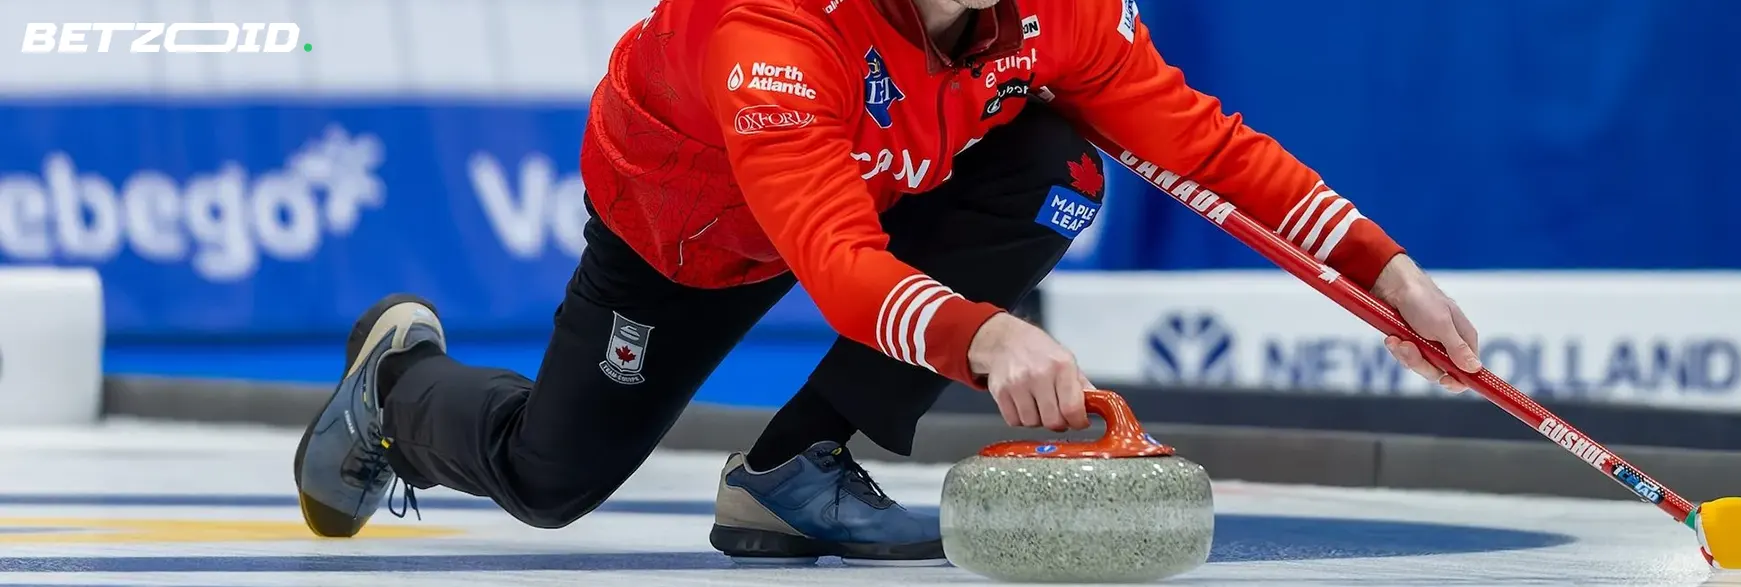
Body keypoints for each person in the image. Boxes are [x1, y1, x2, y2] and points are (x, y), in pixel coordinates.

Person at [292, 0, 1486, 568]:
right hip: (693, 232)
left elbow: (1210, 151)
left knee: (1062, 165)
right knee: (549, 482)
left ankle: (791, 466)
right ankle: (400, 384)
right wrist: (983, 339)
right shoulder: (769, 25)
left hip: (883, 181)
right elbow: (837, 261)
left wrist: (1391, 272)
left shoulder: (1064, 13)